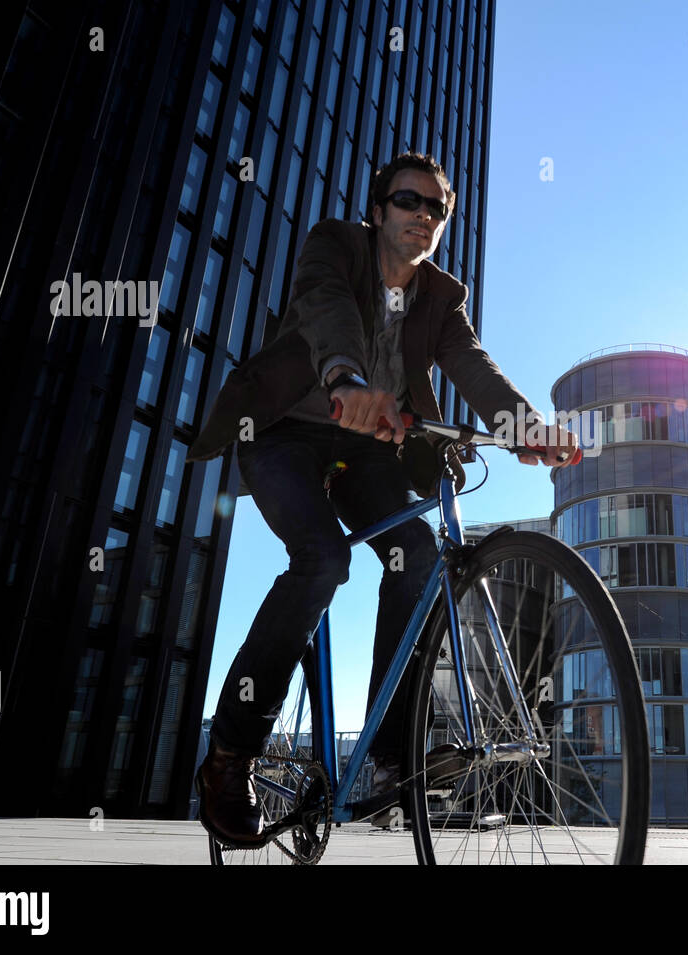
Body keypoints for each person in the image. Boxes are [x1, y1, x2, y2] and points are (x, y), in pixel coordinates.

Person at [187, 151, 578, 845]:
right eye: (408, 201)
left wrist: (521, 424)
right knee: (323, 559)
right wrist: (346, 378)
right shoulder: (334, 246)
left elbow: (473, 366)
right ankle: (230, 755)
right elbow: (327, 310)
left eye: (437, 209)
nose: (423, 216)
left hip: (366, 451)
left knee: (419, 554)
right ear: (378, 210)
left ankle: (388, 757)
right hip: (284, 434)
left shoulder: (440, 300)